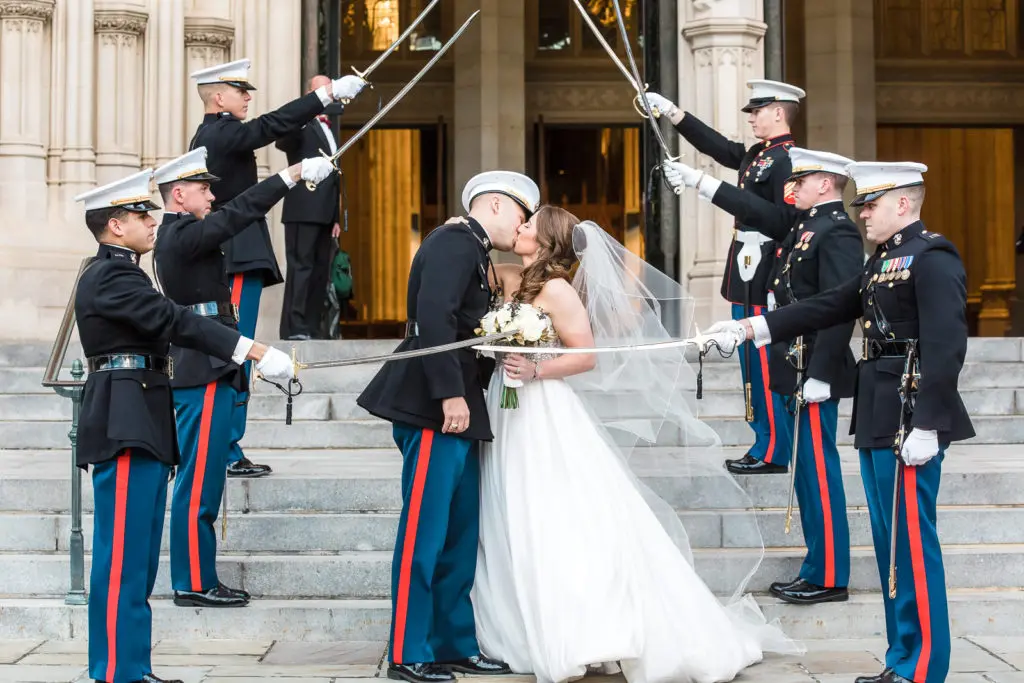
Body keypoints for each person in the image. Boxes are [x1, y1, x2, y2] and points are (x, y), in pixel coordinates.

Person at [470, 208, 801, 683]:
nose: (519, 227)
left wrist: (536, 368)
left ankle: (591, 625)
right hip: (507, 408)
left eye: (528, 223)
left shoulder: (559, 289)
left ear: (545, 238)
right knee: (512, 507)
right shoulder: (510, 277)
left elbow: (584, 355)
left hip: (543, 408)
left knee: (550, 508)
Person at [708, 161, 975, 683]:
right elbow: (829, 304)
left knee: (913, 544)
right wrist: (753, 328)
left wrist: (928, 423)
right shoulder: (882, 260)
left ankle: (923, 668)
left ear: (903, 203)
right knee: (888, 541)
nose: (863, 214)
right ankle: (901, 659)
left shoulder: (932, 256)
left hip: (909, 410)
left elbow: (947, 345)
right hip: (878, 405)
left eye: (871, 204)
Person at [72, 169, 294, 683]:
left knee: (140, 558)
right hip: (125, 420)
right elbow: (175, 321)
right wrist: (253, 350)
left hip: (142, 415)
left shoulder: (126, 272)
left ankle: (129, 667)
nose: (151, 221)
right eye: (139, 215)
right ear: (114, 225)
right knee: (123, 557)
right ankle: (116, 672)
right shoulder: (110, 275)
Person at [357, 171, 540, 683]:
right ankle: (408, 650)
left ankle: (453, 643)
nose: (521, 227)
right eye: (521, 217)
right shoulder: (453, 242)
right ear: (498, 206)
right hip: (434, 403)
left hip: (461, 404)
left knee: (459, 533)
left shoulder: (473, 250)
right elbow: (433, 319)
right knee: (425, 531)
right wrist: (450, 394)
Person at [664, 148, 864, 605]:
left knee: (818, 472)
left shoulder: (837, 233)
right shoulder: (805, 225)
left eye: (804, 178)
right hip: (790, 365)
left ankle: (829, 574)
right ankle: (817, 566)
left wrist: (822, 373)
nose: (793, 185)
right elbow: (753, 210)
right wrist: (700, 182)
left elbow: (839, 309)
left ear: (827, 183)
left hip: (812, 368)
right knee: (805, 473)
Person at [152, 147, 334, 608]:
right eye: (203, 188)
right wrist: (289, 176)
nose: (212, 195)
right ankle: (193, 579)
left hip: (212, 361)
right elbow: (238, 213)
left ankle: (197, 575)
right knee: (199, 480)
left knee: (208, 475)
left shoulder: (188, 233)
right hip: (201, 366)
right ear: (179, 194)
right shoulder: (179, 235)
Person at [188, 57, 366, 478]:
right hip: (233, 249)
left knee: (239, 347)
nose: (247, 96)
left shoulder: (221, 132)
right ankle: (225, 447)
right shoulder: (220, 131)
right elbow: (269, 127)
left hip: (239, 247)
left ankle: (227, 443)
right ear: (218, 97)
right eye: (239, 91)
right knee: (234, 348)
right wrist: (325, 94)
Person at [643, 80, 805, 474]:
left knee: (766, 362)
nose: (751, 117)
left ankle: (776, 449)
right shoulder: (759, 154)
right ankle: (762, 440)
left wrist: (704, 184)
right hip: (745, 267)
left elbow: (779, 220)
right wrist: (673, 113)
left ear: (779, 112)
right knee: (750, 363)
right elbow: (719, 148)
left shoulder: (788, 160)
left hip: (767, 265)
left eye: (758, 110)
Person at [275, 74, 345, 340]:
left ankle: (313, 326)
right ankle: (295, 327)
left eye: (330, 89)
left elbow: (335, 177)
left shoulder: (330, 127)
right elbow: (283, 142)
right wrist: (302, 113)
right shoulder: (302, 123)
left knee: (319, 271)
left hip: (326, 213)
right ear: (310, 94)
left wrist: (336, 217)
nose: (327, 94)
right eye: (321, 90)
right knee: (301, 268)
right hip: (302, 209)